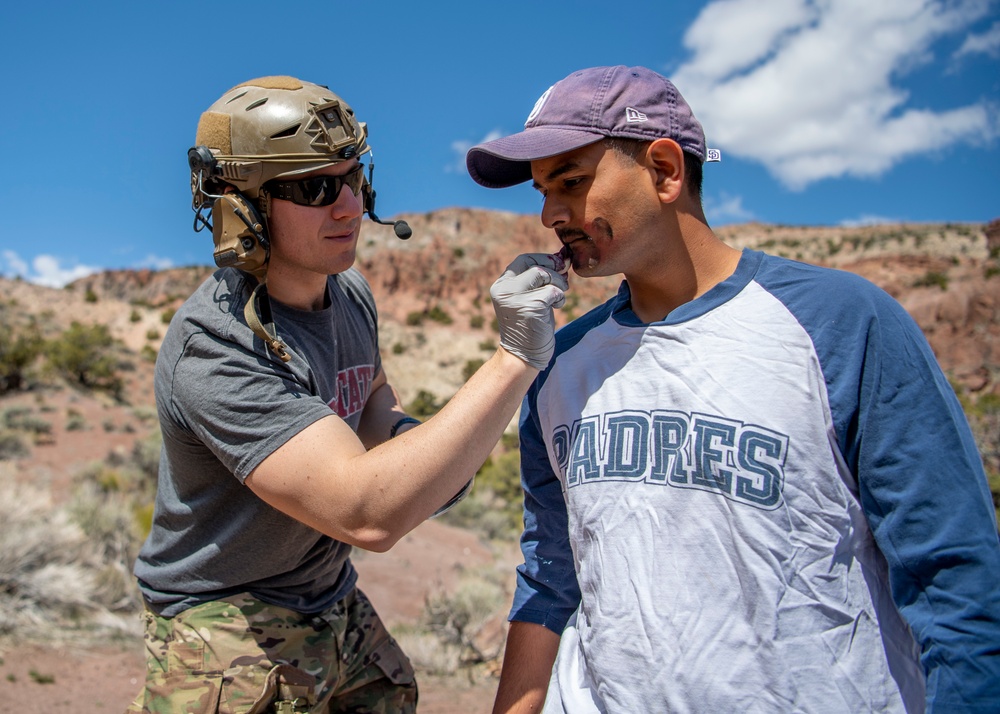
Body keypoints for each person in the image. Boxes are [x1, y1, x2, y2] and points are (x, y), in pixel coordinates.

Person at [466, 65, 1000, 713]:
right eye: (543, 191)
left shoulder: (842, 324)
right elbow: (551, 575)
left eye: (572, 182)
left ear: (665, 170)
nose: (550, 214)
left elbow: (956, 585)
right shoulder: (559, 363)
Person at [128, 75, 567, 713]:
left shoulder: (349, 293)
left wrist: (423, 453)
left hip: (329, 593)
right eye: (315, 187)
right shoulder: (217, 345)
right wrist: (515, 357)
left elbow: (372, 406)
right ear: (240, 205)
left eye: (353, 177)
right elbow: (364, 512)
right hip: (224, 619)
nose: (350, 206)